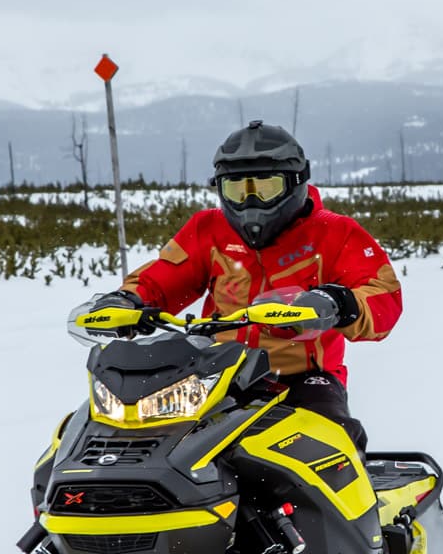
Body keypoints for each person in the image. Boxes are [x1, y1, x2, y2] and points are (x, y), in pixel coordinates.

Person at [87, 121, 401, 449]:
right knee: (149, 439)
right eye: (237, 189)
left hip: (302, 375)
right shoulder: (208, 228)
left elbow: (383, 294)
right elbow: (165, 276)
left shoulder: (335, 233)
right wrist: (128, 299)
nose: (251, 202)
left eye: (265, 188)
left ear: (295, 183)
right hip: (215, 369)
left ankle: (351, 498)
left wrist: (338, 303)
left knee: (331, 441)